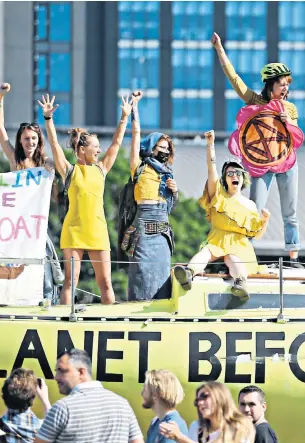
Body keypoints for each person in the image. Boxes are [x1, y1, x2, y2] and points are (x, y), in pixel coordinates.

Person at [211, 32, 302, 268]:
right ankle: (245, 254)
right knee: (252, 208)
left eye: (286, 84)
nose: (285, 88)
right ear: (270, 85)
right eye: (281, 84)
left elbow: (297, 137)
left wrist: (288, 121)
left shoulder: (290, 108)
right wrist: (220, 49)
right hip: (261, 167)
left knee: (290, 212)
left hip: (287, 165)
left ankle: (293, 256)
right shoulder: (255, 101)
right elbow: (235, 80)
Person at [38, 93, 134, 305]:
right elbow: (53, 144)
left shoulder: (101, 169)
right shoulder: (69, 171)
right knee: (70, 282)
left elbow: (117, 143)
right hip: (73, 231)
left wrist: (124, 117)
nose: (99, 150)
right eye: (95, 146)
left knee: (106, 283)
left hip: (98, 231)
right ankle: (62, 321)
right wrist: (48, 119)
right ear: (82, 150)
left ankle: (110, 324)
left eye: (99, 146)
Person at [174, 130, 271, 302]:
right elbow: (211, 169)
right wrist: (210, 145)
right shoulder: (218, 195)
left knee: (233, 259)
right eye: (230, 173)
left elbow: (256, 234)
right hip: (217, 238)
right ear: (225, 179)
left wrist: (264, 221)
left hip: (239, 243)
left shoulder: (250, 205)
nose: (234, 176)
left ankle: (241, 283)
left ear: (243, 178)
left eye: (238, 173)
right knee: (205, 253)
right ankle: (188, 274)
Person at [0, 82, 63, 302]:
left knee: (42, 262)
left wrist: (54, 180)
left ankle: (47, 300)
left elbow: (55, 197)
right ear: (20, 141)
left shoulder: (47, 163)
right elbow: (0, 130)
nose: (30, 142)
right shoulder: (16, 161)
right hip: (17, 223)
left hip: (38, 223)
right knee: (18, 262)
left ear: (39, 140)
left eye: (34, 138)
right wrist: (0, 100)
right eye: (26, 138)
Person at [126, 91, 178, 301]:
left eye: (167, 148)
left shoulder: (167, 173)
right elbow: (136, 134)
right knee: (141, 272)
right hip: (144, 225)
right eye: (160, 147)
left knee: (162, 272)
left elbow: (170, 206)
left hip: (163, 228)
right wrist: (135, 108)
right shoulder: (138, 166)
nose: (164, 151)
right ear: (151, 147)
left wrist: (174, 191)